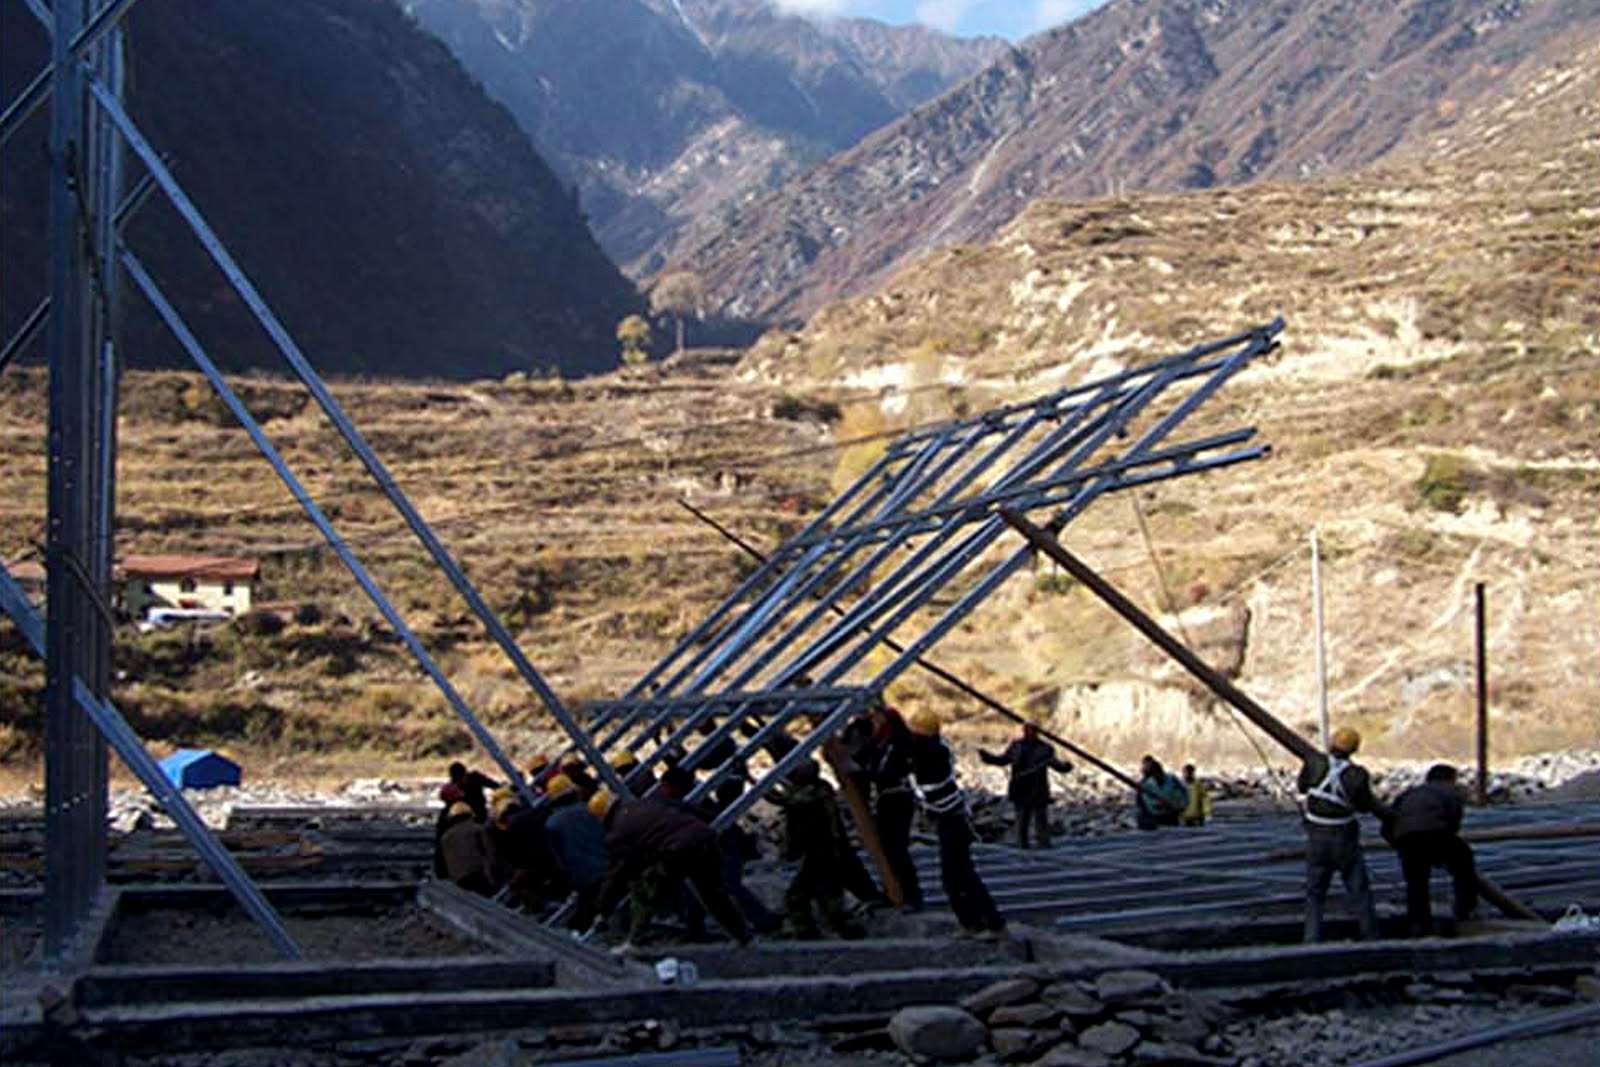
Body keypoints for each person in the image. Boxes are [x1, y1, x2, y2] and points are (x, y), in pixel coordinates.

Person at [590, 788, 752, 950]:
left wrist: (602, 908)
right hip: (705, 838)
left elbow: (616, 874)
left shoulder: (618, 833)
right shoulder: (648, 803)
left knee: (645, 892)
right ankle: (743, 936)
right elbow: (689, 808)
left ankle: (635, 941)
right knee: (714, 895)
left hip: (677, 851)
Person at [907, 710, 1006, 939]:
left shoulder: (932, 753)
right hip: (948, 820)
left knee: (962, 876)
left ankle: (992, 924)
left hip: (952, 820)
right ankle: (971, 923)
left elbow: (926, 779)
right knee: (953, 878)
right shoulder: (932, 750)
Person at [1298, 726, 1390, 942]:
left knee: (1314, 893)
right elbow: (1364, 805)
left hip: (1316, 836)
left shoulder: (1314, 762)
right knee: (1359, 889)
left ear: (1331, 743)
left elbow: (1302, 787)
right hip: (1344, 838)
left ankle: (1311, 938)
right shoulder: (1357, 775)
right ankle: (1370, 936)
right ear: (1354, 750)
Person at [768, 760, 864, 940]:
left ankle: (830, 929)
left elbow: (785, 800)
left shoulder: (817, 792)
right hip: (818, 851)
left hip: (822, 851)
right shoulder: (817, 790)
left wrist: (762, 785)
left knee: (810, 895)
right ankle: (824, 929)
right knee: (813, 895)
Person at [1388, 764, 1478, 936]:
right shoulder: (1449, 792)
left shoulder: (1409, 793)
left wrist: (1397, 842)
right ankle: (1465, 909)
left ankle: (1419, 924)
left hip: (1407, 839)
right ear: (1450, 779)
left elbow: (1389, 819)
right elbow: (1454, 820)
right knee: (1464, 864)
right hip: (1435, 834)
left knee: (1416, 884)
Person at [705, 778, 782, 934]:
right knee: (730, 889)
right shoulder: (723, 814)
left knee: (728, 889)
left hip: (722, 855)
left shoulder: (717, 811)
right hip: (725, 854)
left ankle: (759, 920)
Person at [867, 700, 923, 909]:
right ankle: (893, 889)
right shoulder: (878, 744)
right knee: (887, 848)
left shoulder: (898, 744)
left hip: (898, 799)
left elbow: (890, 770)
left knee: (898, 847)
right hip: (885, 800)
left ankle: (911, 894)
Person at [980, 722, 1072, 848]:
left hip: (1037, 789)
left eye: (1032, 730)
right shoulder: (1017, 746)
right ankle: (1022, 848)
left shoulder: (1044, 748)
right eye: (1028, 730)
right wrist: (988, 758)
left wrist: (1066, 767)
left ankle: (1043, 847)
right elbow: (1003, 760)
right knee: (1022, 822)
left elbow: (1056, 765)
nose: (1030, 733)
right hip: (1021, 788)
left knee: (1040, 822)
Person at [543, 773, 610, 930]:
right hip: (609, 866)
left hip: (582, 877)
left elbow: (558, 859)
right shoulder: (591, 810)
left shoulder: (552, 823)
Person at [438, 801, 497, 895]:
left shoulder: (446, 837)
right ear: (470, 815)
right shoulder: (478, 830)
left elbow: (444, 864)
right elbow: (491, 854)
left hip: (459, 882)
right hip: (481, 877)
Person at [1134, 756, 1189, 830]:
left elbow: (1183, 793)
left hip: (1171, 816)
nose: (1156, 774)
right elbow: (1143, 803)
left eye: (1157, 771)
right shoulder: (1146, 784)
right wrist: (1156, 807)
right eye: (1153, 773)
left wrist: (1180, 806)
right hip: (1154, 819)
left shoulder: (1172, 779)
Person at [1179, 763, 1213, 827]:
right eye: (1185, 772)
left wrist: (1207, 813)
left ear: (1192, 773)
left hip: (1197, 817)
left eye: (1189, 772)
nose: (1186, 774)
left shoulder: (1198, 785)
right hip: (1184, 817)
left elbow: (1205, 799)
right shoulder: (1180, 785)